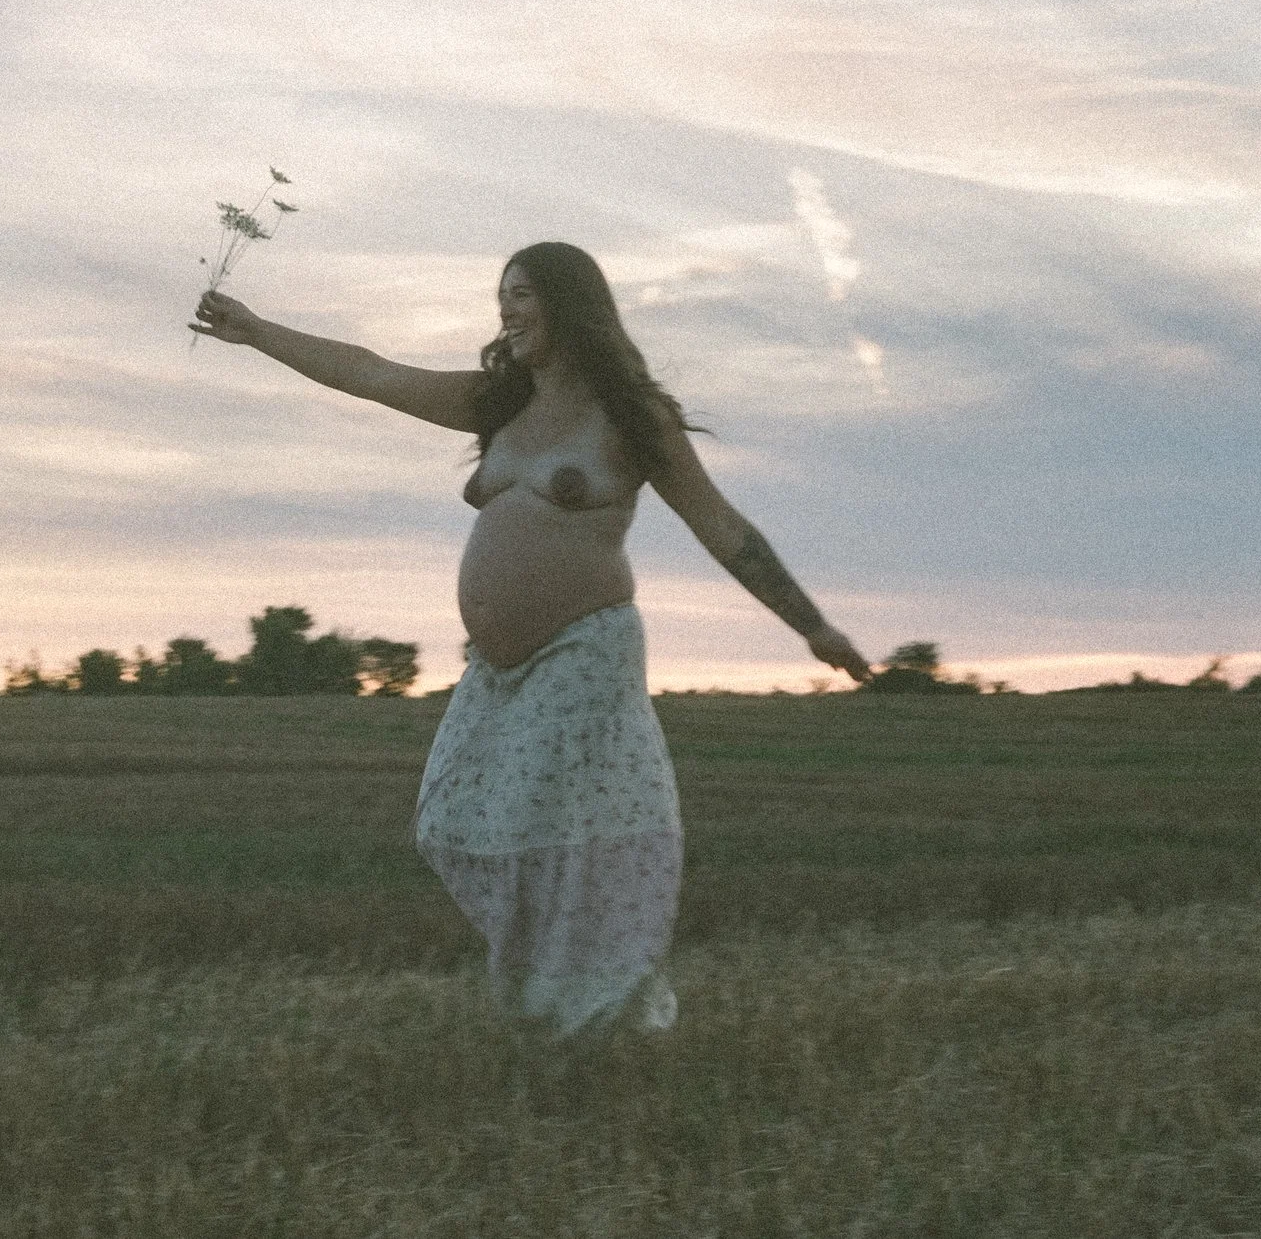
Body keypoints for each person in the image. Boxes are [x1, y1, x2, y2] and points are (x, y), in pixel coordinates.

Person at [191, 240, 870, 1035]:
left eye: (521, 294)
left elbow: (721, 525)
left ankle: (591, 1012)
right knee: (452, 820)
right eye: (500, 296)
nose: (505, 311)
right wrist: (257, 329)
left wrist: (811, 624)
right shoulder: (497, 405)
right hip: (496, 669)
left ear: (568, 303)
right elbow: (368, 373)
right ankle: (570, 993)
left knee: (558, 838)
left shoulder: (629, 416)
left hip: (585, 651)